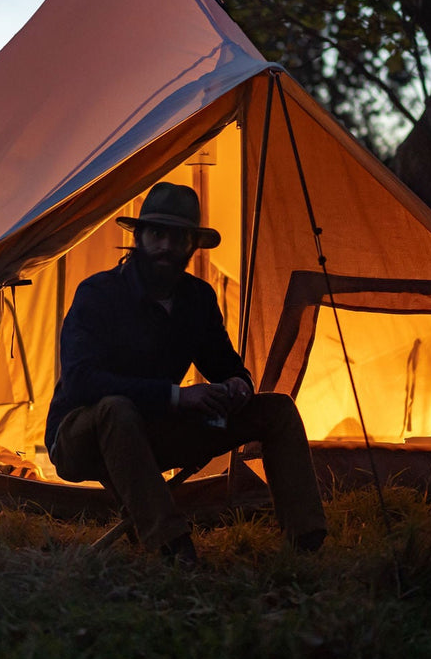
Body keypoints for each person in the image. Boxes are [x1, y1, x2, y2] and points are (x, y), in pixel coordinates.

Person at [45, 182, 326, 564]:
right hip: (81, 438)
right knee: (115, 408)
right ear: (139, 237)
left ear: (193, 245)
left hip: (157, 434)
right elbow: (80, 382)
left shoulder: (197, 298)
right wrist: (177, 395)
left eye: (178, 238)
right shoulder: (98, 294)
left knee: (275, 409)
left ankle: (306, 542)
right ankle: (174, 549)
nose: (165, 247)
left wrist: (237, 385)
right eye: (157, 234)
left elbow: (227, 365)